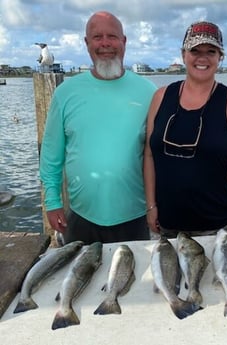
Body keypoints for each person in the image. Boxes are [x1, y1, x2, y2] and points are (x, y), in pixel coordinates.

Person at [40, 11, 157, 245]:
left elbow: (157, 156)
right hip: (81, 217)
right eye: (97, 37)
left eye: (112, 36)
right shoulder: (65, 94)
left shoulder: (149, 92)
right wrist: (52, 203)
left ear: (124, 42)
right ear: (86, 43)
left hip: (135, 218)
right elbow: (51, 155)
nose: (105, 44)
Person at [144, 21, 227, 238]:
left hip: (219, 227)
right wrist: (151, 206)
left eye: (211, 51)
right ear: (183, 54)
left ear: (220, 57)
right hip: (166, 223)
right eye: (195, 50)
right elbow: (149, 154)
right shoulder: (160, 97)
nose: (202, 58)